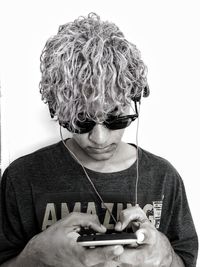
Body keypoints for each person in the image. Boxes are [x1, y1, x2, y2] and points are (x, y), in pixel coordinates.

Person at [0, 13, 198, 267]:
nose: (99, 138)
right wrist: (36, 255)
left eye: (115, 118)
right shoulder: (22, 177)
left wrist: (165, 254)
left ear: (133, 100)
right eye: (81, 121)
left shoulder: (163, 177)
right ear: (58, 111)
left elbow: (184, 260)